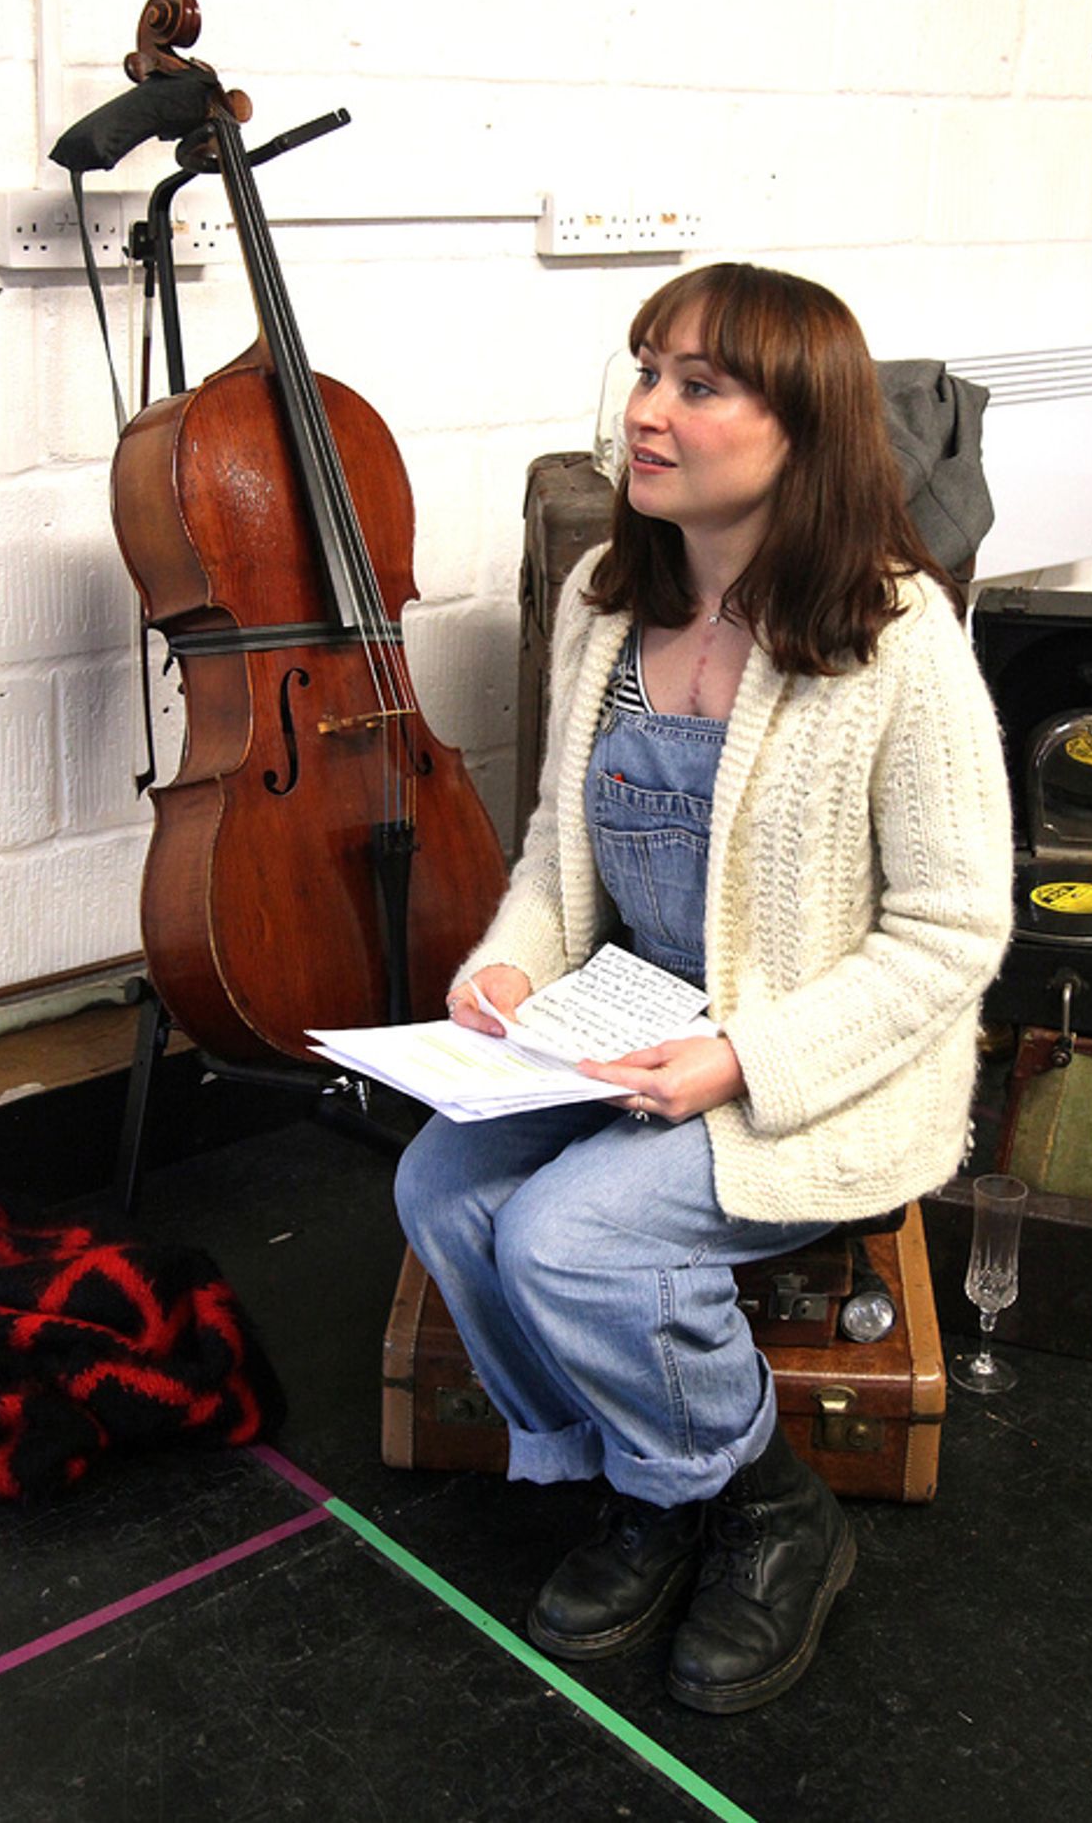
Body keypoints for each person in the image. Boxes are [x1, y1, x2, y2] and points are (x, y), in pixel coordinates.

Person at [395, 262, 1013, 1714]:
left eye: (696, 383)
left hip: (809, 1070)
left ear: (803, 428)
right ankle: (649, 1481)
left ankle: (767, 1510)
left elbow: (952, 929)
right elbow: (562, 845)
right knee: (437, 1186)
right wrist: (512, 965)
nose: (646, 411)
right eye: (644, 370)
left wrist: (742, 1061)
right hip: (622, 1035)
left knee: (561, 1237)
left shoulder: (895, 640)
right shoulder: (613, 605)